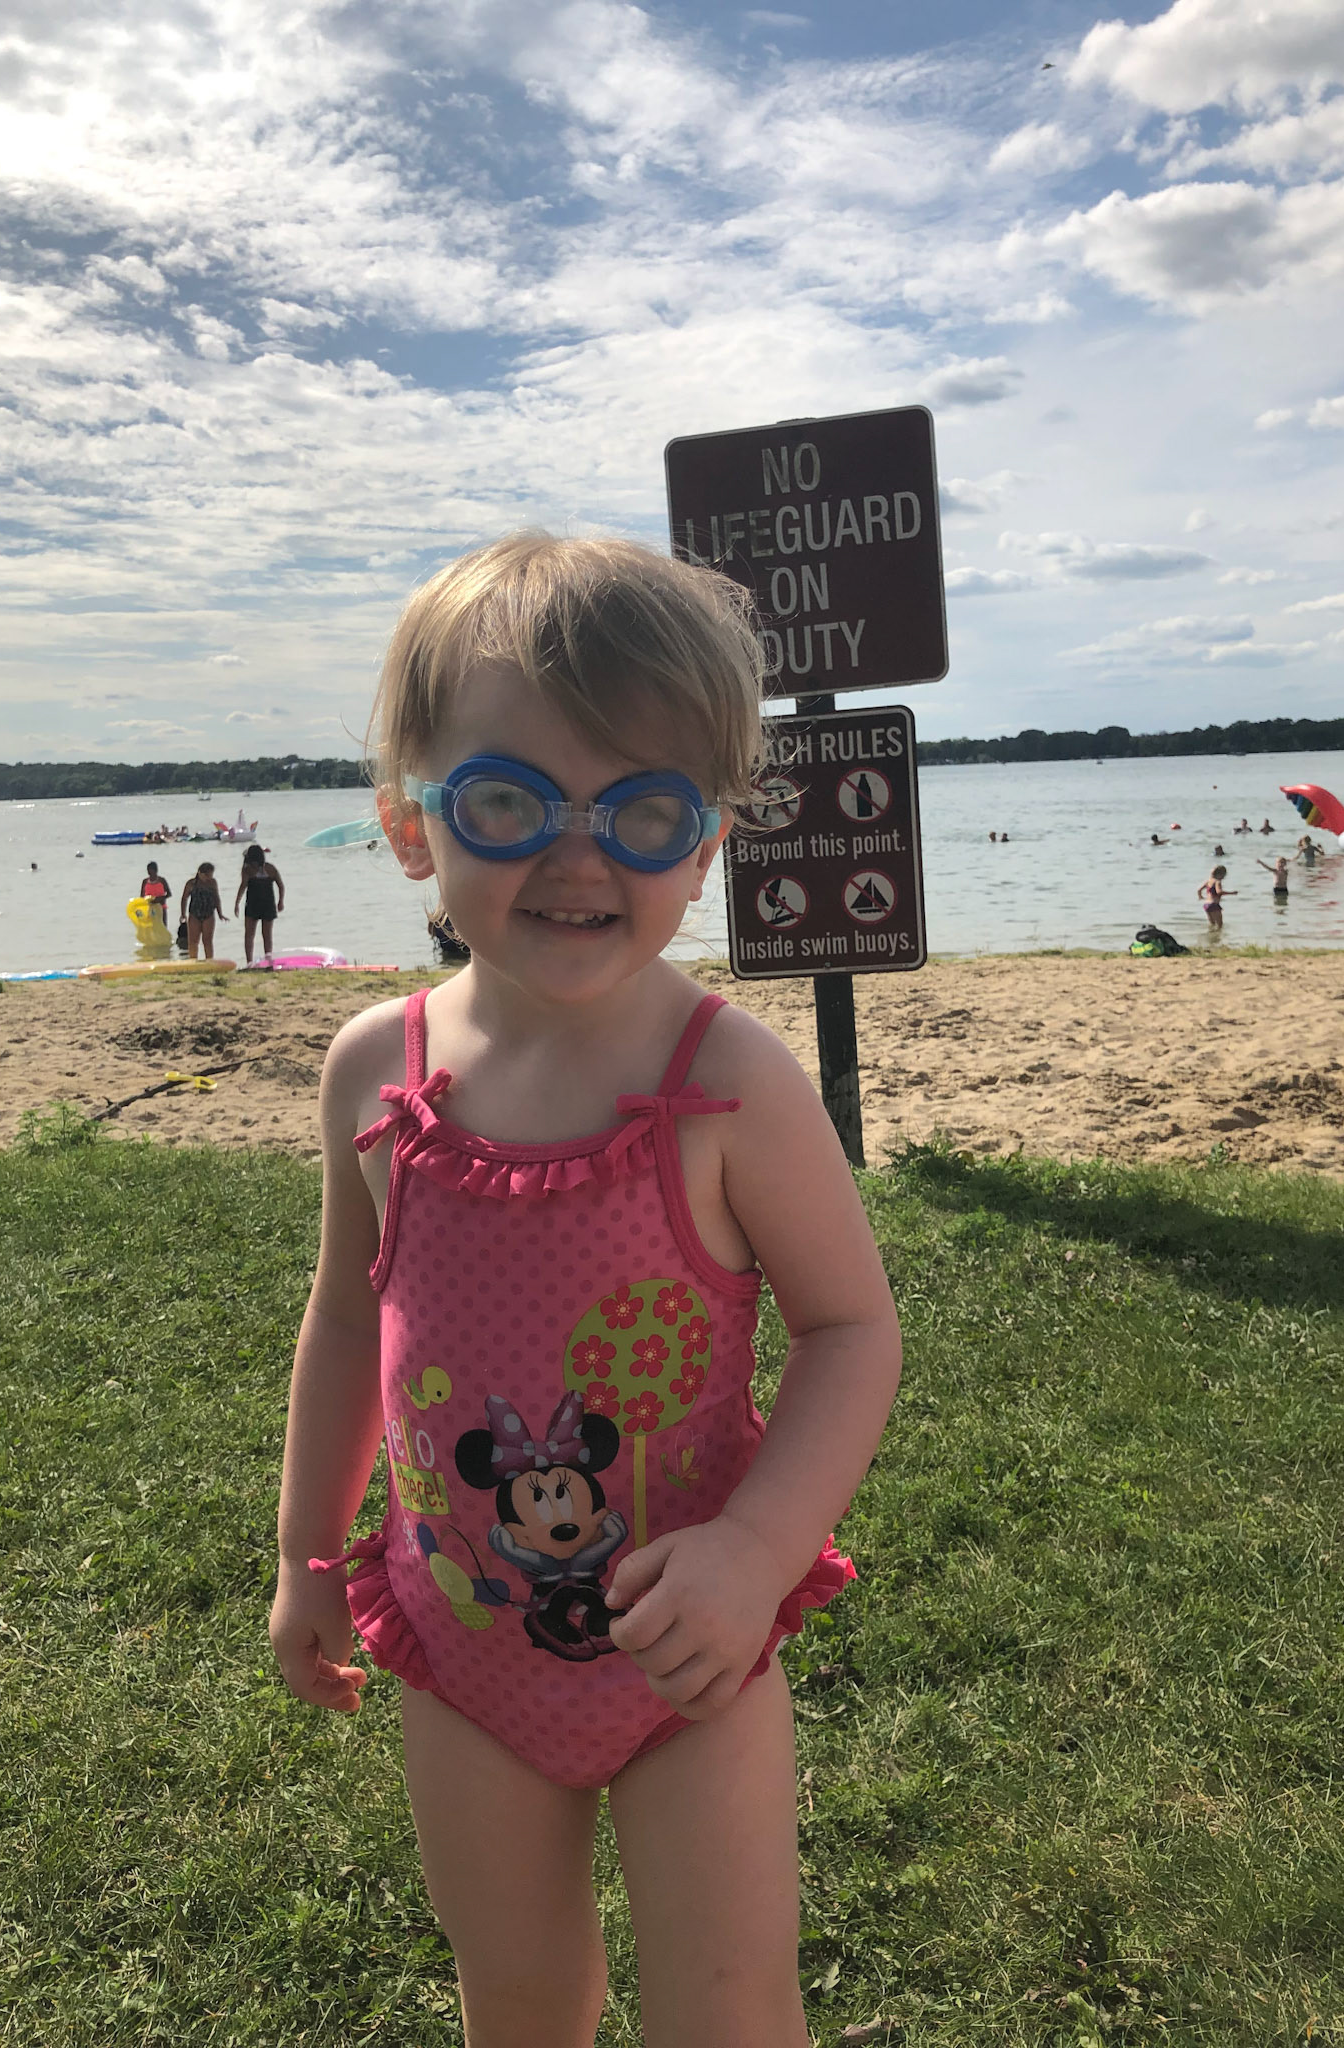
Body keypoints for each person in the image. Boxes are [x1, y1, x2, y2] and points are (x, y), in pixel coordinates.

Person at [269, 533, 902, 2048]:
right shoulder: (374, 1071)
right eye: (509, 800)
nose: (578, 857)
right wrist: (306, 1553)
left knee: (729, 2003)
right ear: (411, 825)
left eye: (645, 810)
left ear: (709, 841)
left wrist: (756, 1549)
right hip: (461, 1640)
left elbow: (851, 1328)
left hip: (692, 1649)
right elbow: (349, 1315)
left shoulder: (726, 1082)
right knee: (517, 1990)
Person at [234, 843, 285, 964]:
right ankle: (267, 960)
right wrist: (280, 901)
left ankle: (250, 962)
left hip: (253, 903)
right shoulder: (270, 868)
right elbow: (281, 885)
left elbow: (243, 886)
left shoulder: (247, 870)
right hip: (268, 903)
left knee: (250, 935)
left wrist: (237, 903)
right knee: (266, 935)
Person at [178, 861, 224, 958]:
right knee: (193, 941)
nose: (209, 877)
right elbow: (184, 898)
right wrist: (183, 913)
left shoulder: (212, 883)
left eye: (211, 875)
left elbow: (216, 898)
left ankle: (209, 960)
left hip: (209, 913)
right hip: (194, 914)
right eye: (207, 875)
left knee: (207, 941)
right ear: (200, 873)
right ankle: (193, 960)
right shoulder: (191, 883)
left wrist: (220, 913)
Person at [139, 860, 172, 930]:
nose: (149, 872)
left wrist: (161, 898)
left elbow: (169, 894)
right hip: (149, 908)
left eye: (151, 870)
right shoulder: (145, 882)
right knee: (151, 929)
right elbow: (141, 897)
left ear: (156, 870)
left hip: (161, 907)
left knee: (162, 928)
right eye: (148, 870)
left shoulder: (162, 880)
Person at [1198, 863, 1234, 928]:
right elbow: (1219, 892)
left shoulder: (1208, 881)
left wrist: (1200, 897)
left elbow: (1199, 890)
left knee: (1212, 924)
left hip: (1206, 905)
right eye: (1224, 875)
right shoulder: (1217, 882)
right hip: (1214, 905)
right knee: (1220, 925)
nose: (1224, 878)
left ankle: (1212, 934)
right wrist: (1232, 893)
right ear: (1220, 874)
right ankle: (1217, 934)